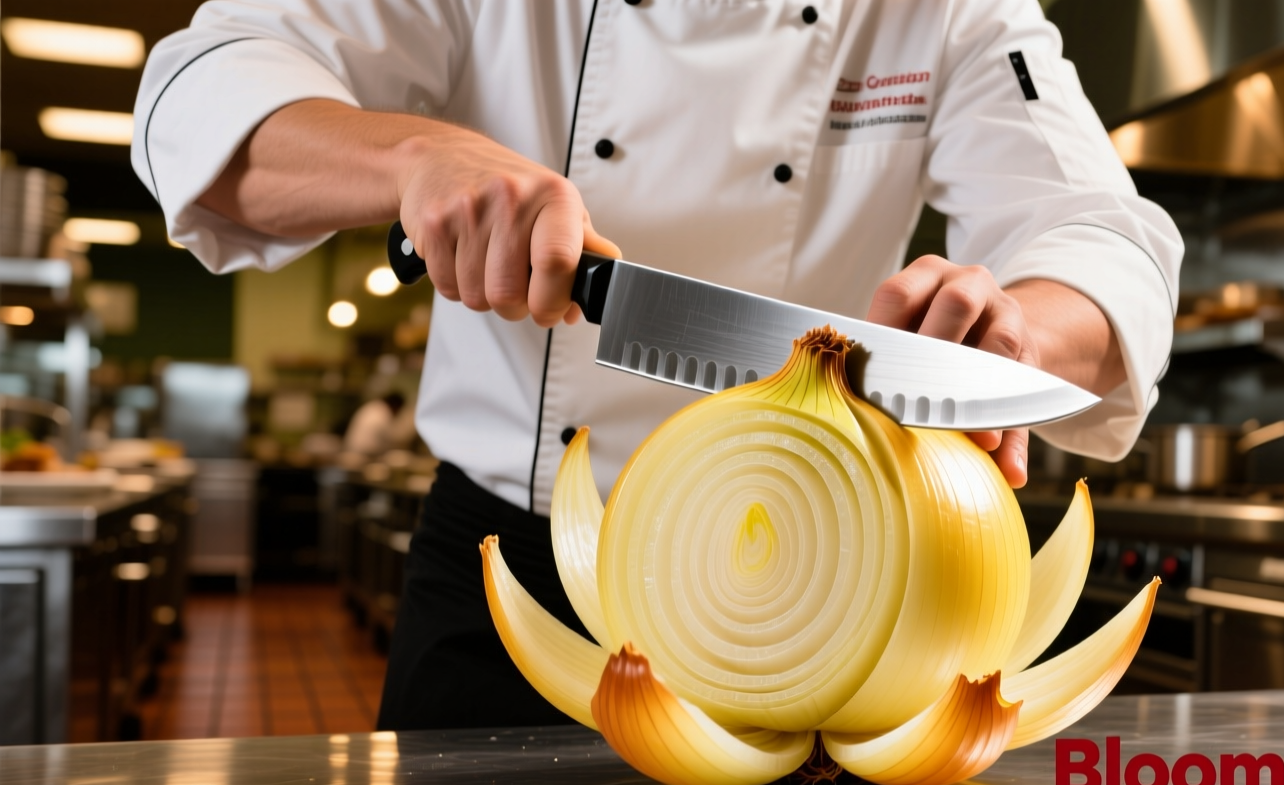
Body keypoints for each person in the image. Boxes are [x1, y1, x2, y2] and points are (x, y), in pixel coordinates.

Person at [133, 0, 1182, 731]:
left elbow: (1098, 230)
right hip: (519, 582)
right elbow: (202, 91)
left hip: (827, 587)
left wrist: (1015, 335)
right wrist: (413, 160)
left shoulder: (942, 6)